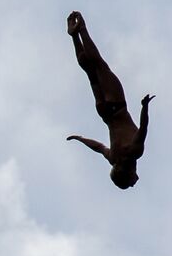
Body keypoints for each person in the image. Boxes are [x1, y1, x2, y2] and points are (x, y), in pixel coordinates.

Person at [66, 10, 154, 189]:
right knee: (89, 71)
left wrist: (145, 107)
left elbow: (144, 127)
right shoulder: (113, 158)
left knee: (98, 64)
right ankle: (74, 36)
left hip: (117, 106)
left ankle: (81, 29)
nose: (136, 181)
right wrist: (80, 138)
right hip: (104, 112)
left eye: (132, 181)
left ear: (128, 174)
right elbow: (98, 147)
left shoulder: (135, 152)